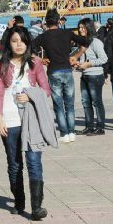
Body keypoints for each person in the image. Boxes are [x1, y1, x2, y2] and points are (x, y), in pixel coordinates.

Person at [0, 27, 53, 220]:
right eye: (14, 41)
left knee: (34, 162)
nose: (19, 44)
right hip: (9, 121)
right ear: (8, 43)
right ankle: (19, 202)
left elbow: (46, 90)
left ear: (28, 42)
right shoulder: (2, 64)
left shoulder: (35, 63)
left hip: (32, 119)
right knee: (14, 164)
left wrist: (30, 96)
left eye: (22, 40)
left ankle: (36, 207)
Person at [33, 8, 88, 142]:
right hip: (67, 71)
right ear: (58, 21)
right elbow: (86, 42)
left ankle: (64, 133)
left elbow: (28, 48)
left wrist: (41, 59)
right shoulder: (67, 33)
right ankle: (71, 132)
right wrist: (75, 56)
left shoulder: (44, 36)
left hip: (53, 71)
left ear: (46, 22)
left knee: (58, 105)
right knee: (69, 104)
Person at [71, 18, 108, 135]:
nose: (81, 30)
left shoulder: (96, 42)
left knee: (97, 102)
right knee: (85, 102)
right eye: (79, 28)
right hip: (84, 75)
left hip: (95, 75)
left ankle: (100, 127)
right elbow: (82, 59)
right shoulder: (81, 43)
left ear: (89, 28)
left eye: (83, 27)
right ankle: (89, 126)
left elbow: (104, 59)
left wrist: (89, 64)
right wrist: (78, 64)